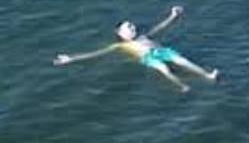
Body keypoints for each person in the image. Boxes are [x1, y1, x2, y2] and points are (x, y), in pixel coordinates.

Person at [51, 7, 219, 91]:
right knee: (164, 69)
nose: (132, 29)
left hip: (161, 50)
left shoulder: (144, 35)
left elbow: (161, 27)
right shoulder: (120, 45)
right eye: (128, 28)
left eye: (132, 26)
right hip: (148, 58)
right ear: (121, 33)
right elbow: (96, 53)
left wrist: (173, 15)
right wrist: (71, 58)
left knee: (182, 60)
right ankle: (182, 86)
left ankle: (206, 75)